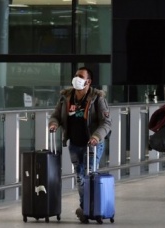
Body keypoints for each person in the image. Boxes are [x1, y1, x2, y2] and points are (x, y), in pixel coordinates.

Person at [48, 67, 111, 221]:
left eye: (81, 76)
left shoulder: (97, 98)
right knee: (80, 178)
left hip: (92, 144)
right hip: (74, 144)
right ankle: (87, 207)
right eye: (76, 75)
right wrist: (54, 124)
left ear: (88, 81)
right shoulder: (66, 97)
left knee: (88, 177)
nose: (77, 78)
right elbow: (56, 115)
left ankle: (87, 208)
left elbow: (106, 123)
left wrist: (96, 136)